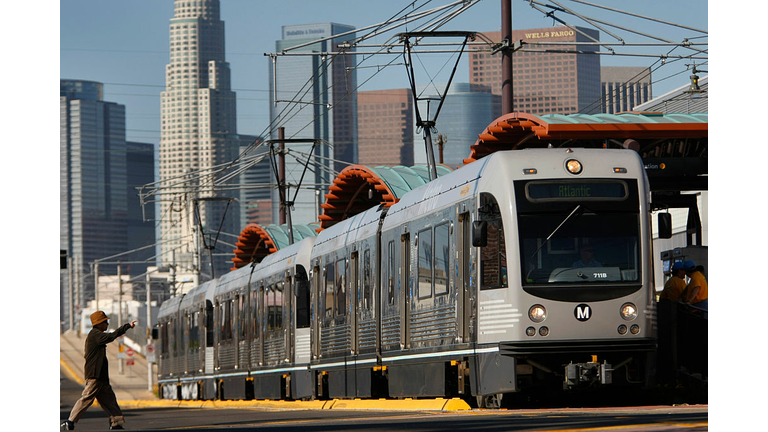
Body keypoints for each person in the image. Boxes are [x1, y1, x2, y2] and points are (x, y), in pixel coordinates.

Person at [61, 311, 137, 430]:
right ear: (99, 324)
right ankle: (70, 421)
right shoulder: (95, 335)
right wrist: (126, 326)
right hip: (95, 375)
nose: (107, 324)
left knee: (110, 400)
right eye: (105, 322)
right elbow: (111, 337)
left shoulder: (97, 334)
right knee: (87, 398)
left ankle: (116, 423)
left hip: (101, 376)